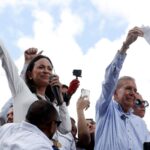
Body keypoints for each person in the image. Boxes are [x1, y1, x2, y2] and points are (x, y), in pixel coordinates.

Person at [95, 27, 150, 150]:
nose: (133, 93)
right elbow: (109, 80)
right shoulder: (105, 109)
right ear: (115, 93)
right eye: (128, 88)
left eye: (135, 90)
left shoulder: (140, 124)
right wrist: (125, 46)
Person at [0, 44, 71, 134]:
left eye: (50, 69)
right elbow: (6, 60)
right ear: (30, 75)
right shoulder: (22, 92)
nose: (46, 71)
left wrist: (60, 99)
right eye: (41, 67)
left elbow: (66, 129)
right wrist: (27, 63)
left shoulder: (53, 105)